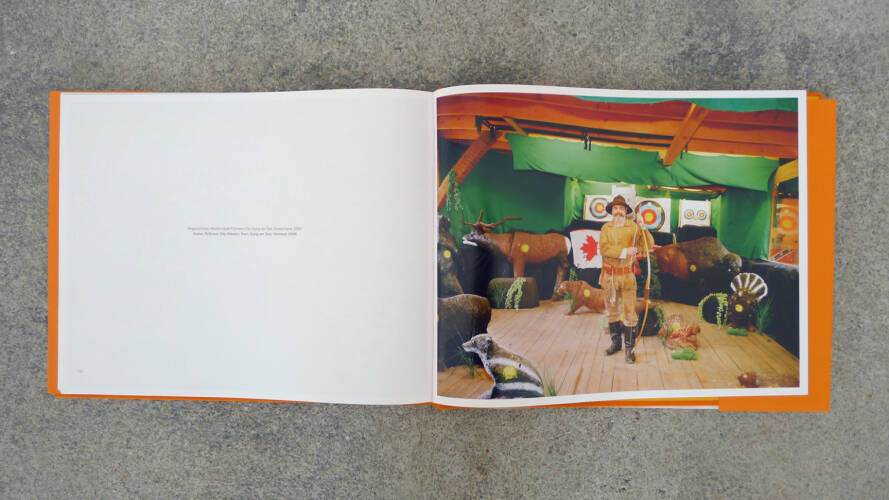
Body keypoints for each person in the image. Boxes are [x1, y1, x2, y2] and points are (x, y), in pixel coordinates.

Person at [598, 195, 654, 364]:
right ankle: (616, 344)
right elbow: (604, 249)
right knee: (612, 311)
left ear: (626, 211)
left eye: (621, 209)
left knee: (630, 312)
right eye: (615, 208)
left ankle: (630, 349)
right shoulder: (606, 228)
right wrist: (625, 252)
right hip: (610, 277)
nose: (618, 211)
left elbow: (649, 244)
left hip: (628, 276)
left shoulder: (634, 227)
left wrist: (643, 227)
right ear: (611, 210)